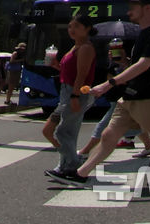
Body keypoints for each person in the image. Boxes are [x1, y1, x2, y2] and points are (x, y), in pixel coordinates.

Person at [52, 0, 150, 191]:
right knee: (109, 135)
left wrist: (109, 84)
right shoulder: (144, 33)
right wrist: (124, 62)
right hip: (132, 95)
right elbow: (138, 65)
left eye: (134, 6)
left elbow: (145, 64)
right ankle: (81, 174)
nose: (129, 10)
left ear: (148, 8)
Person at [44, 15, 96, 180]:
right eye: (70, 27)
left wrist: (75, 96)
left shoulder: (86, 48)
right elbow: (70, 72)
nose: (72, 30)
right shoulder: (76, 46)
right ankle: (65, 165)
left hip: (75, 92)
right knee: (65, 131)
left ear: (87, 29)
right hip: (67, 92)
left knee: (62, 132)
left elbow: (82, 74)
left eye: (77, 26)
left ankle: (73, 164)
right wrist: (57, 66)